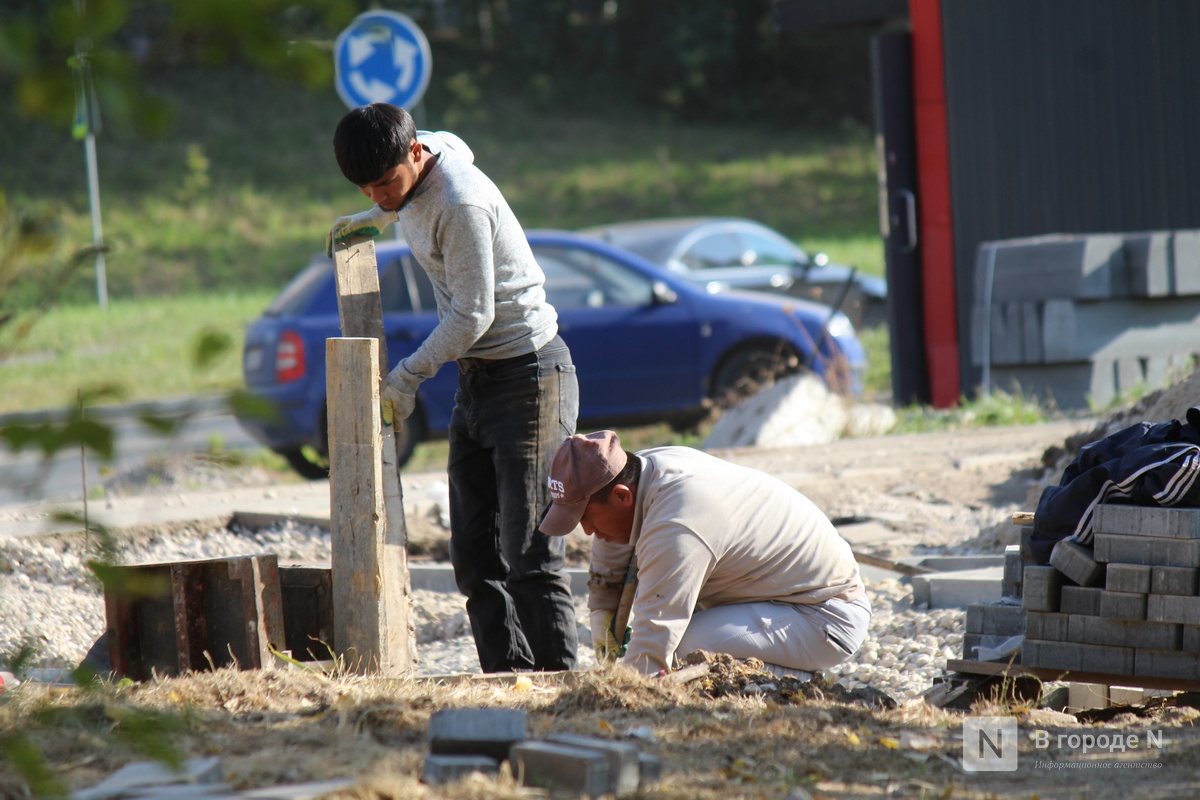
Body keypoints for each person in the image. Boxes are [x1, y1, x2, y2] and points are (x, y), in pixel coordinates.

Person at [329, 103, 579, 672]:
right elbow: (454, 142)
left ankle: (566, 694)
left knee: (530, 552)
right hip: (479, 379)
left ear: (414, 155)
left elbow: (472, 315)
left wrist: (407, 378)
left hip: (530, 375)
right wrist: (380, 216)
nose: (379, 197)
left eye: (386, 185)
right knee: (473, 555)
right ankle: (508, 682)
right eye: (366, 189)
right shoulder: (429, 151)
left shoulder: (460, 202)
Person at [539, 430, 870, 676]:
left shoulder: (678, 520)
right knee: (678, 643)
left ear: (622, 496)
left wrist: (620, 689)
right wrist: (603, 618)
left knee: (683, 654)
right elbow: (609, 546)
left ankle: (795, 678)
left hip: (823, 616)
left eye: (585, 517)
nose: (587, 532)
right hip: (775, 596)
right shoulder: (643, 468)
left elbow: (654, 640)